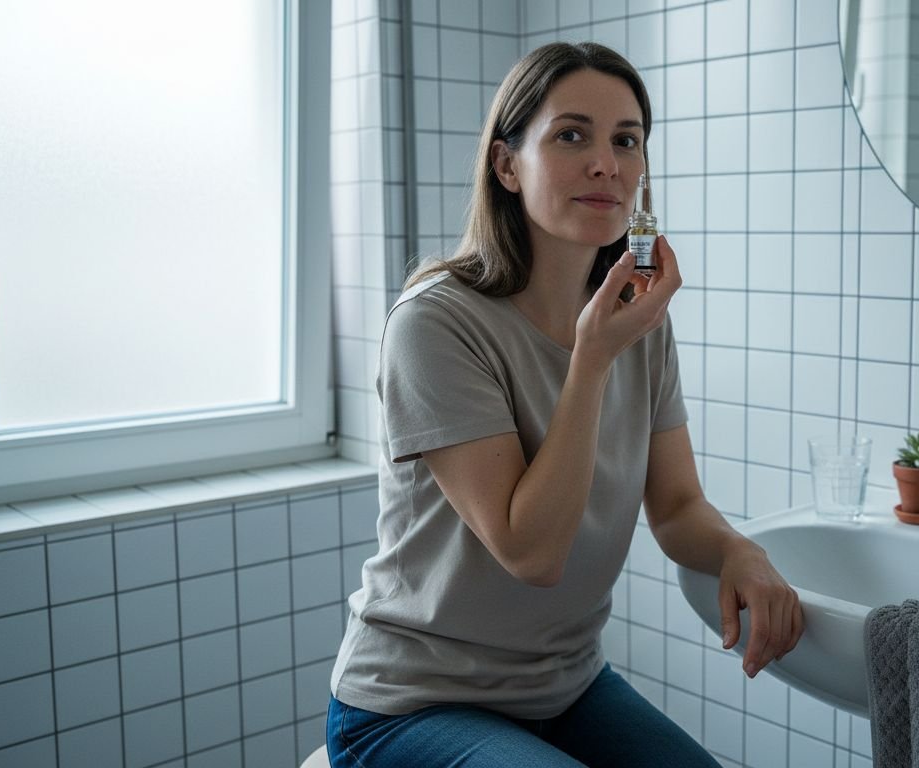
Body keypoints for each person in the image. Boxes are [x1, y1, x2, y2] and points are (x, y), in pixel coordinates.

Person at [325, 42, 803, 767]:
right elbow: (532, 552)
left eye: (627, 140)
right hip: (414, 702)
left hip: (565, 688)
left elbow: (675, 508)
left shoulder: (638, 318)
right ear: (507, 165)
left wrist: (742, 551)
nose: (606, 164)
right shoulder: (436, 322)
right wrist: (592, 359)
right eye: (571, 135)